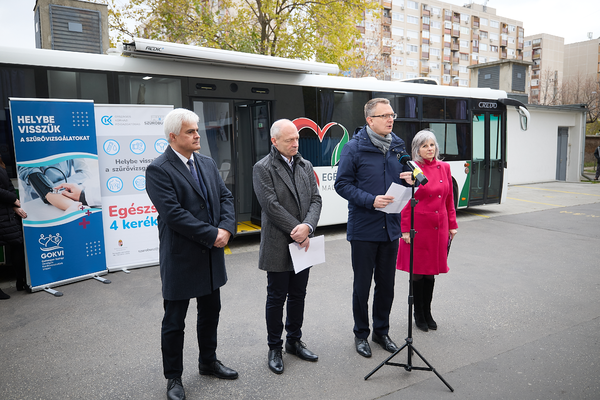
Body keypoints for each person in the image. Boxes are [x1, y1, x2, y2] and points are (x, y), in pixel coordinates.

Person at [145, 108, 237, 400]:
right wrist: (214, 235)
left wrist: (226, 228)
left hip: (210, 256)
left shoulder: (207, 163)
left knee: (211, 312)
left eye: (197, 130)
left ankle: (208, 362)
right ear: (173, 137)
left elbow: (225, 197)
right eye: (191, 131)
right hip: (182, 258)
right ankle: (173, 378)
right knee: (174, 321)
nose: (198, 135)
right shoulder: (158, 169)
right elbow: (174, 215)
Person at [334, 98, 413, 358]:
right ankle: (361, 334)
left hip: (390, 228)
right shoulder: (353, 148)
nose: (391, 119)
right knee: (362, 286)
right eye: (384, 115)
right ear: (370, 120)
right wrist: (371, 200)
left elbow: (407, 178)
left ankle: (381, 332)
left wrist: (412, 181)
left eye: (392, 114)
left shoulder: (398, 145)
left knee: (387, 285)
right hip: (364, 229)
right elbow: (342, 185)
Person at [252, 119, 322, 374]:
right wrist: (299, 230)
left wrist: (308, 227)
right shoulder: (263, 168)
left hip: (303, 242)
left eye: (297, 139)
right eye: (289, 140)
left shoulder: (305, 165)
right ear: (274, 141)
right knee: (276, 297)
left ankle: (294, 340)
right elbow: (270, 206)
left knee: (299, 294)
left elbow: (316, 199)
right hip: (278, 243)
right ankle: (274, 347)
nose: (295, 143)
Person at [396, 130, 458, 332]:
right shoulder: (413, 169)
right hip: (418, 228)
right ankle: (418, 314)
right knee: (418, 274)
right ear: (417, 149)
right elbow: (406, 202)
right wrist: (405, 229)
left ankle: (428, 311)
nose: (429, 149)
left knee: (431, 274)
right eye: (424, 146)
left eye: (432, 145)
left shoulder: (444, 167)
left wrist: (452, 224)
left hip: (438, 228)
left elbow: (449, 199)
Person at [0, 156, 28, 299]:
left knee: (17, 244)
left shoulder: (2, 165)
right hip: (4, 213)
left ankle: (21, 280)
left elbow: (9, 187)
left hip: (7, 214)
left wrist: (14, 205)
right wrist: (13, 200)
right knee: (16, 244)